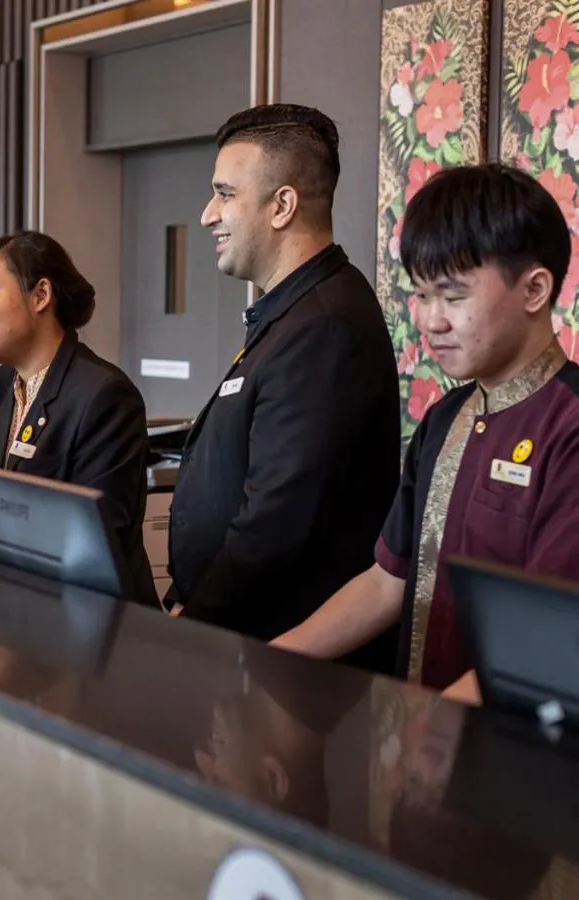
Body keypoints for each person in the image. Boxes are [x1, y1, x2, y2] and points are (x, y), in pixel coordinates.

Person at [272, 163, 579, 705]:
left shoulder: (569, 426)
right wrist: (272, 658)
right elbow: (386, 581)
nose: (431, 320)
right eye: (422, 295)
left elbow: (549, 640)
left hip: (512, 743)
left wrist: (431, 728)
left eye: (453, 297)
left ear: (534, 289)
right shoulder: (445, 417)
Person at [167, 104, 400, 669]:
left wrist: (195, 623)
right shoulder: (293, 312)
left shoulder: (324, 325)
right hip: (247, 643)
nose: (207, 215)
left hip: (288, 665)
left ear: (283, 206)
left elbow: (277, 520)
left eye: (224, 194)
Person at [0, 230, 157, 607]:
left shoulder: (104, 395)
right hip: (16, 608)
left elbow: (97, 541)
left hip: (95, 620)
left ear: (40, 295)